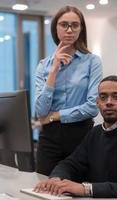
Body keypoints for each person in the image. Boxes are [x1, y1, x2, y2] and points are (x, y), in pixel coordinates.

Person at [34, 75, 117, 200]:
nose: (109, 102)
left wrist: (86, 189)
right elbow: (71, 164)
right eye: (103, 97)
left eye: (116, 97)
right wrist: (56, 178)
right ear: (97, 102)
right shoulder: (95, 133)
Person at [35, 6, 102, 176]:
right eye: (64, 25)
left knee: (77, 189)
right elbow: (40, 110)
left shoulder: (92, 62)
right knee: (42, 186)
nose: (69, 30)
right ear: (55, 28)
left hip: (81, 135)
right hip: (49, 138)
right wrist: (54, 70)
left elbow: (92, 107)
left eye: (75, 25)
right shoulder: (44, 66)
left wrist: (54, 116)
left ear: (81, 29)